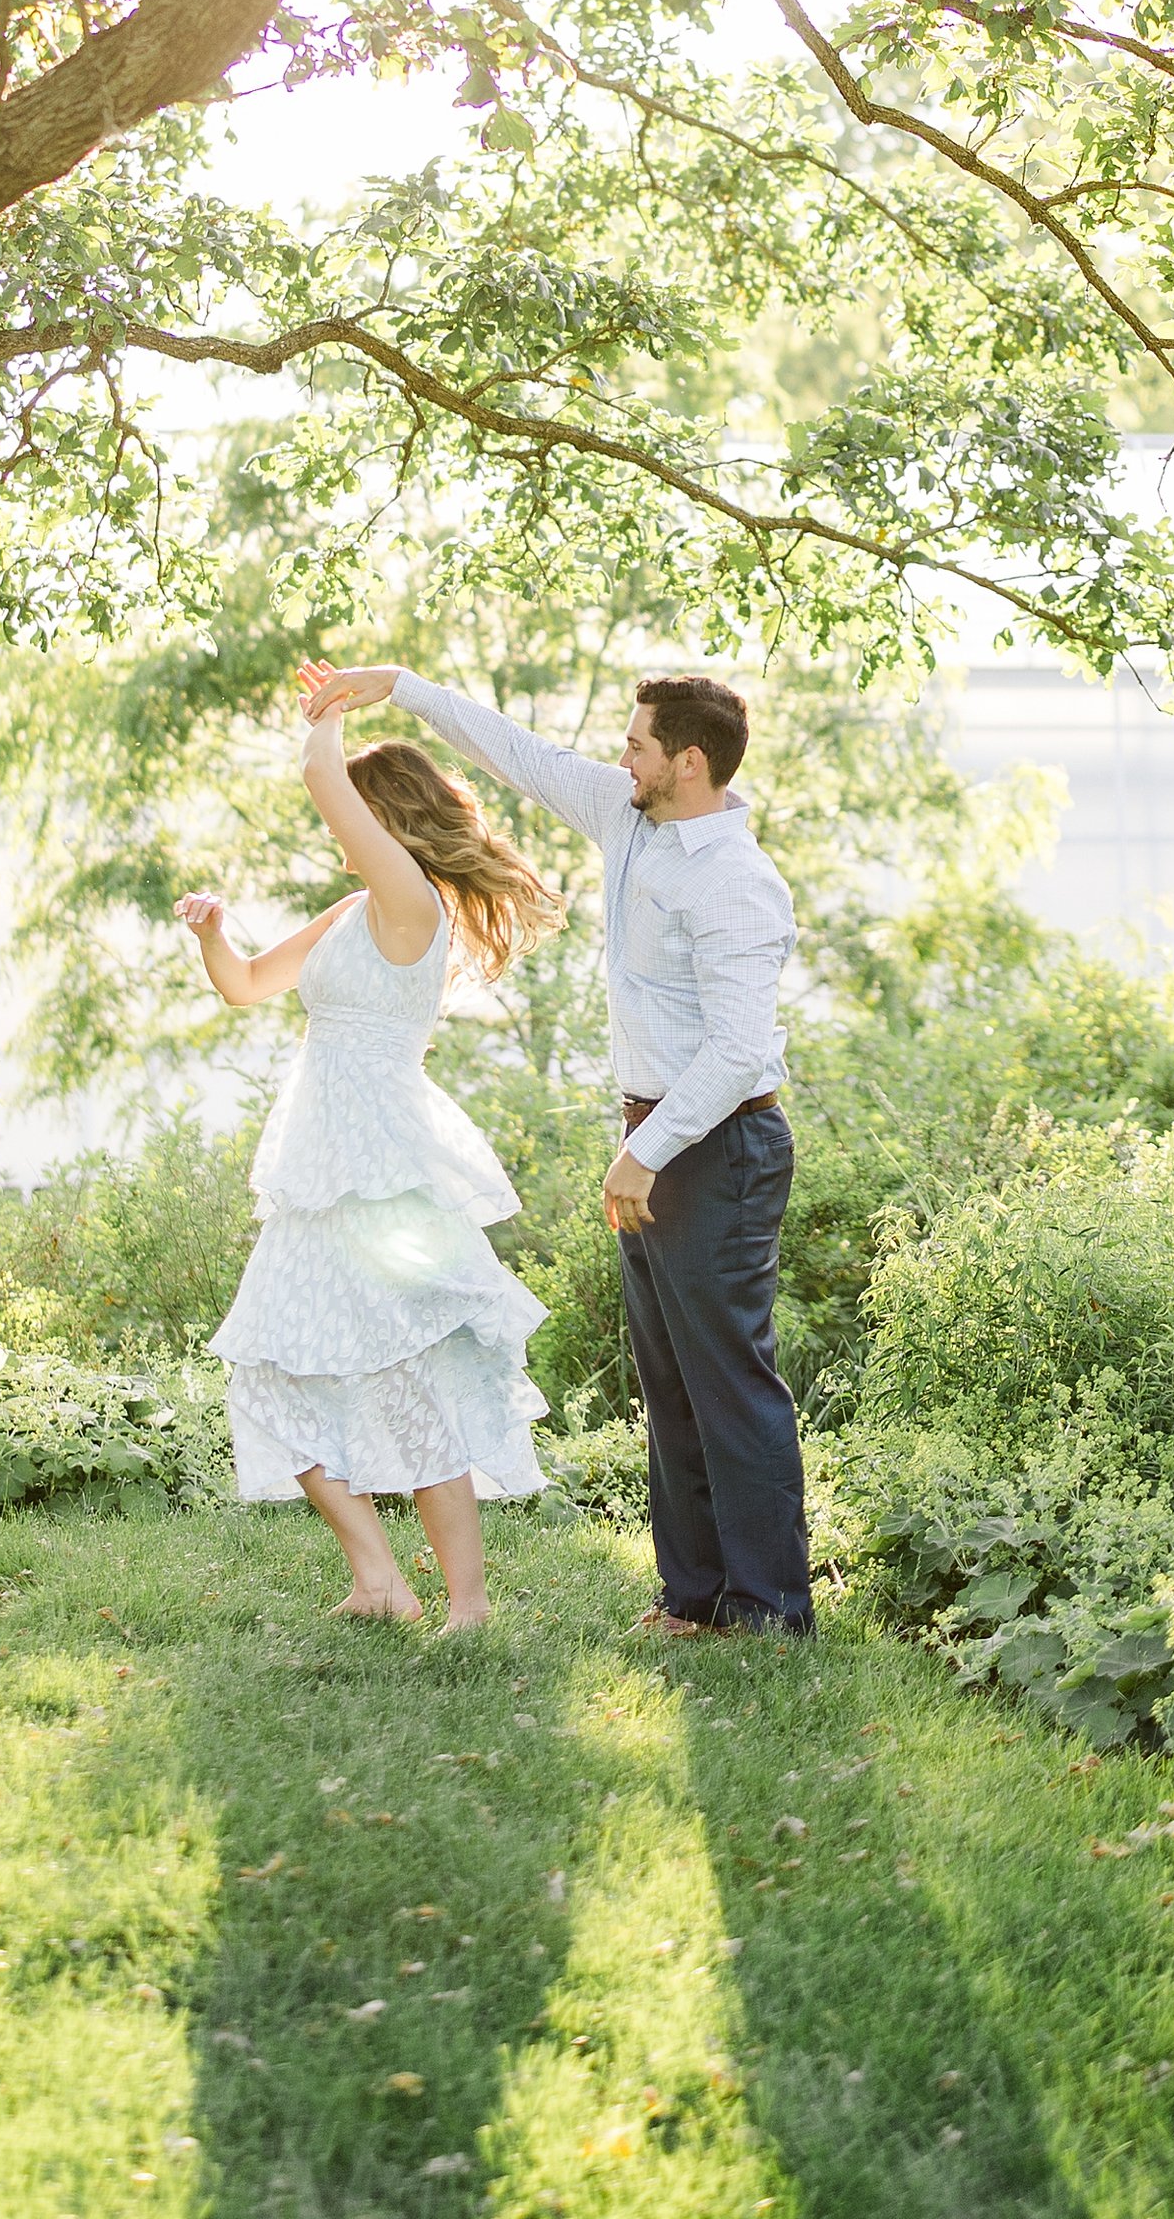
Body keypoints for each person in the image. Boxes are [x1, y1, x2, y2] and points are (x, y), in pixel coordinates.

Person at [297, 658, 809, 1641]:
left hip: (717, 1144)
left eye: (637, 745)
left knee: (729, 1380)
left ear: (688, 762)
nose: (621, 758)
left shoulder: (737, 881)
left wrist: (646, 1151)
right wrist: (400, 684)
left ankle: (771, 1610)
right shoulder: (627, 812)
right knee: (670, 1380)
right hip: (654, 1134)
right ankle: (694, 1597)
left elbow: (739, 1048)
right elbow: (516, 753)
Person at [178, 687, 562, 1631]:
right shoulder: (356, 907)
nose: (337, 834)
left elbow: (320, 771)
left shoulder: (407, 903)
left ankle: (465, 1606)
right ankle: (380, 1581)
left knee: (411, 1379)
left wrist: (328, 707)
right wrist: (211, 931)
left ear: (384, 816)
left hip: (386, 1169)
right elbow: (246, 986)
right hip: (319, 1175)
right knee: (272, 1364)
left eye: (354, 814)